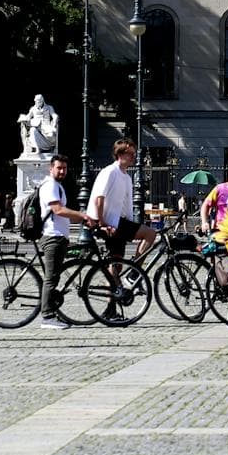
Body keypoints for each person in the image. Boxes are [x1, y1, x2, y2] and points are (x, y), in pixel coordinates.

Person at [37, 155, 91, 330]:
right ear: (51, 168)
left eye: (64, 168)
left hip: (59, 236)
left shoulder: (57, 185)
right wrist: (82, 215)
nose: (62, 171)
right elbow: (58, 210)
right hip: (52, 236)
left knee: (55, 276)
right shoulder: (50, 186)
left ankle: (51, 311)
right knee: (51, 278)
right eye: (59, 168)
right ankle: (47, 316)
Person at [87, 138, 156, 268]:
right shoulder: (110, 172)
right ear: (119, 154)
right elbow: (99, 198)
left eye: (133, 154)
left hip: (119, 222)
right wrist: (102, 223)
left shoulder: (127, 177)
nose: (133, 157)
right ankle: (135, 272)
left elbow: (125, 204)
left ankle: (115, 287)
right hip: (111, 222)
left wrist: (131, 221)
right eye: (130, 153)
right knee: (150, 233)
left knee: (116, 263)